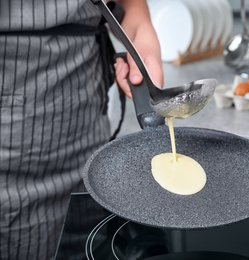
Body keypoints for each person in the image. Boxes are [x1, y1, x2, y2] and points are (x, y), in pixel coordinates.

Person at [0, 0, 163, 259]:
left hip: (90, 145)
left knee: (92, 246)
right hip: (13, 158)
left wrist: (142, 36)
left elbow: (127, 6)